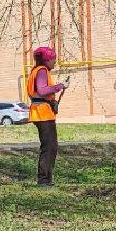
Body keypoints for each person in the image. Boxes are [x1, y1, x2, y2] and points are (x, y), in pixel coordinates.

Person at [26, 46, 67, 185]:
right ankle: (44, 180)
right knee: (49, 147)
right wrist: (59, 86)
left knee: (50, 146)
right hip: (42, 112)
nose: (55, 62)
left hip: (40, 111)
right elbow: (43, 90)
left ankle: (46, 179)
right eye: (53, 59)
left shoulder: (36, 71)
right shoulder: (42, 71)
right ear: (47, 59)